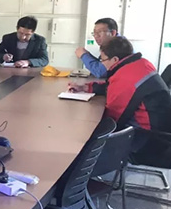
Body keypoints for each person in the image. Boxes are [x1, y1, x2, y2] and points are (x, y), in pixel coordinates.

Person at [69, 36, 171, 166]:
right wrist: (87, 87)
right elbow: (114, 85)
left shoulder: (126, 77)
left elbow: (113, 119)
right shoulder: (141, 64)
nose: (102, 64)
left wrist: (83, 124)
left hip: (148, 144)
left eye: (103, 60)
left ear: (115, 60)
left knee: (83, 142)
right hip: (162, 136)